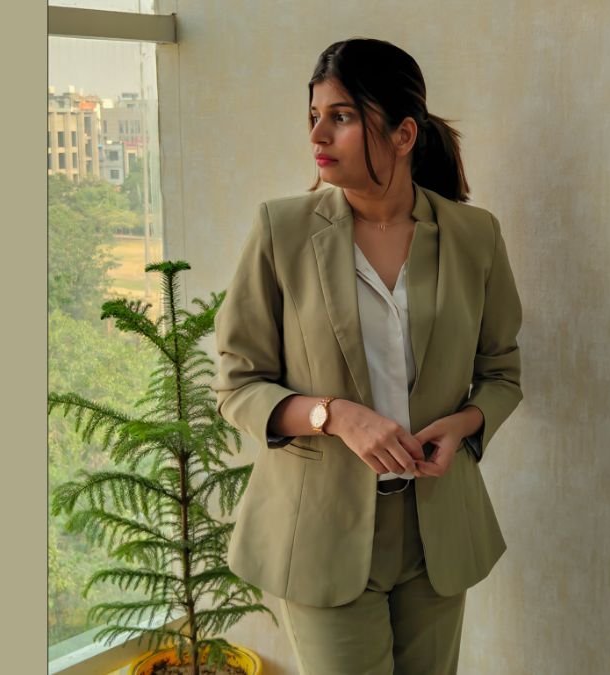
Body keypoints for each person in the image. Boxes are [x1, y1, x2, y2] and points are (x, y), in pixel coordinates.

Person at [211, 37, 523, 675]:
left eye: (342, 116)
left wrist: (463, 426)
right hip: (321, 532)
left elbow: (501, 372)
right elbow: (238, 384)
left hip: (437, 531)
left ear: (404, 134)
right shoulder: (282, 231)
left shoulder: (474, 236)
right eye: (314, 117)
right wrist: (334, 416)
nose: (318, 134)